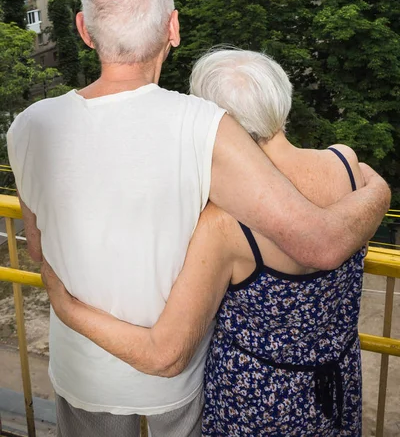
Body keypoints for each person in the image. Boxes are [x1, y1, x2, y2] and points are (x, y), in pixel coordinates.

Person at [8, 0, 388, 437]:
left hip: (81, 368)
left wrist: (67, 304)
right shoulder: (204, 126)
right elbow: (319, 243)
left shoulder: (30, 125)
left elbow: (39, 250)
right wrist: (378, 188)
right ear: (173, 28)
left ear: (83, 29)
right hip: (174, 386)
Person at [43, 50, 373, 436]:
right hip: (338, 387)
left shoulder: (223, 222)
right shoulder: (347, 163)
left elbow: (164, 355)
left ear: (213, 121)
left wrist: (67, 308)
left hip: (255, 403)